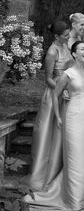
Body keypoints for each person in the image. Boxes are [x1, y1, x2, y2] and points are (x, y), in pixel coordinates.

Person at [23, 41, 84, 211]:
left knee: (83, 158)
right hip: (72, 119)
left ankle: (79, 196)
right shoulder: (68, 74)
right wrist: (57, 116)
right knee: (74, 156)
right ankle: (72, 199)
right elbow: (55, 95)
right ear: (74, 54)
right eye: (82, 49)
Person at [21, 21, 72, 191]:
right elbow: (48, 78)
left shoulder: (66, 45)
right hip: (54, 94)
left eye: (68, 33)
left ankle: (59, 169)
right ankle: (42, 174)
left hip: (66, 91)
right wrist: (60, 89)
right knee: (49, 133)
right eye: (65, 34)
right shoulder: (52, 51)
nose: (68, 36)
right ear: (56, 36)